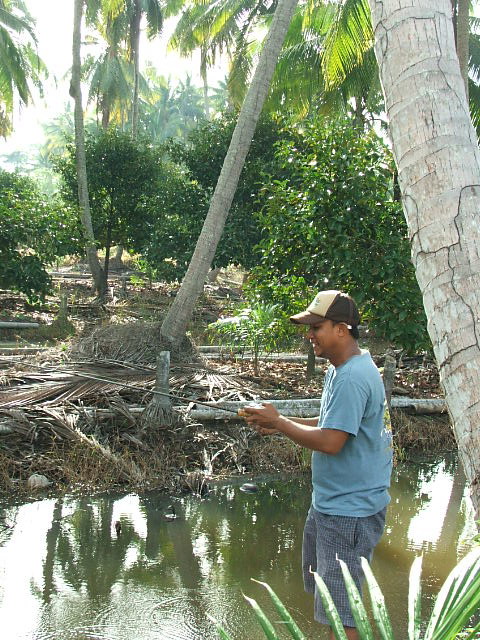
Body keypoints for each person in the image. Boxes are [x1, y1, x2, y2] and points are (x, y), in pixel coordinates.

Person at [242, 290, 393, 640]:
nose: (309, 335)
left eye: (317, 326)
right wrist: (276, 425)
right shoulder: (343, 369)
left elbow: (331, 443)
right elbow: (331, 424)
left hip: (349, 512)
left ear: (342, 329)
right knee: (330, 601)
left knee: (344, 613)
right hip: (332, 505)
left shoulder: (353, 377)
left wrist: (281, 423)